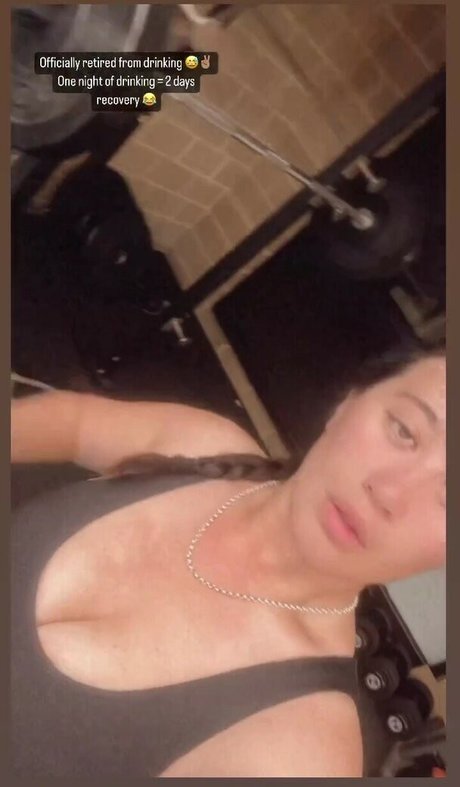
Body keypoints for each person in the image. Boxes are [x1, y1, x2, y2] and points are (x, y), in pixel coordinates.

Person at [10, 346, 446, 777]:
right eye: (404, 430)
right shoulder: (203, 445)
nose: (389, 491)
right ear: (348, 403)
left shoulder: (298, 752)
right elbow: (76, 425)